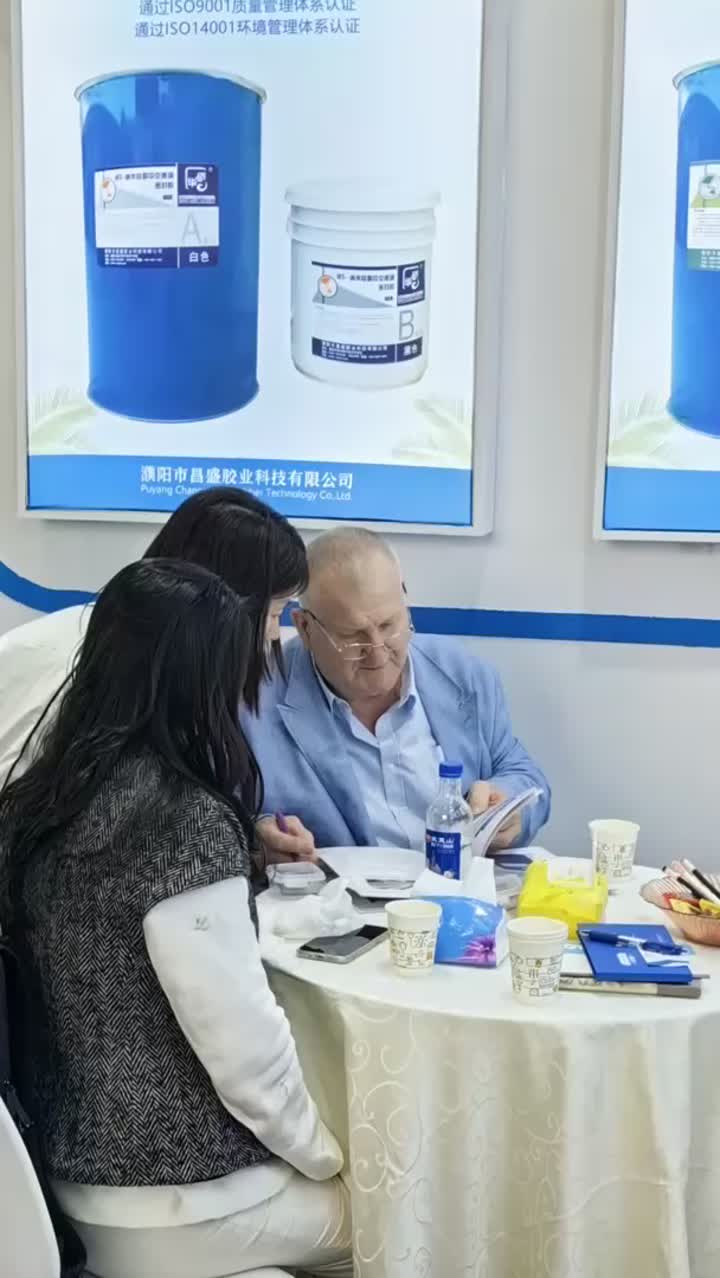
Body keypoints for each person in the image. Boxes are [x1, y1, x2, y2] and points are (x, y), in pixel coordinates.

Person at [0, 559, 351, 1278]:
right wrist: (324, 1154)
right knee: (400, 1213)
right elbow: (245, 1055)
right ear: (204, 680)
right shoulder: (181, 820)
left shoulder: (37, 801)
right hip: (175, 1203)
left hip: (54, 1188)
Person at [0, 486, 310, 864]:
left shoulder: (125, 644)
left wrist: (243, 842)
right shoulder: (89, 678)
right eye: (275, 613)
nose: (274, 635)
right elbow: (43, 843)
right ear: (221, 599)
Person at [244, 528, 550, 856]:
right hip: (338, 888)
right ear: (304, 627)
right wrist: (258, 843)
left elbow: (521, 772)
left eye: (389, 625)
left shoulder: (462, 672)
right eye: (352, 637)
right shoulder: (253, 703)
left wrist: (507, 805)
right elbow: (227, 821)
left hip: (458, 881)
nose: (378, 653)